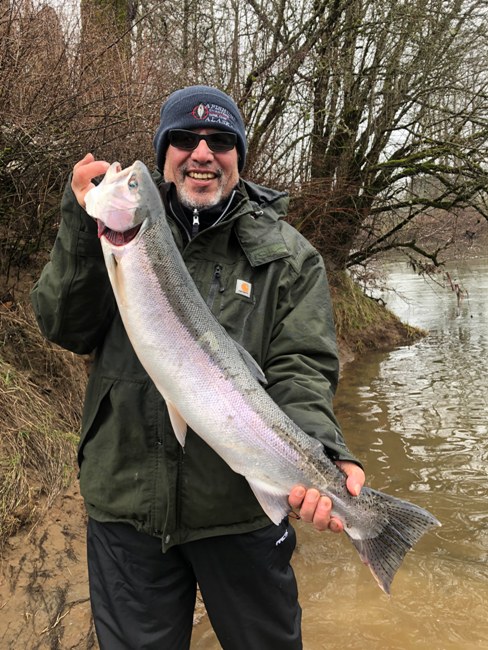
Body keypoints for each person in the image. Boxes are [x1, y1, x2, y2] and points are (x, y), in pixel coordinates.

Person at [31, 85, 365, 650]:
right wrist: (83, 224)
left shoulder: (290, 258)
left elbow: (302, 368)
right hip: (126, 501)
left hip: (241, 512)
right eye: (184, 139)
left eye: (221, 141)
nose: (202, 153)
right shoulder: (115, 239)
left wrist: (321, 451)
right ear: (164, 155)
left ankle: (372, 522)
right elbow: (63, 326)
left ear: (239, 154)